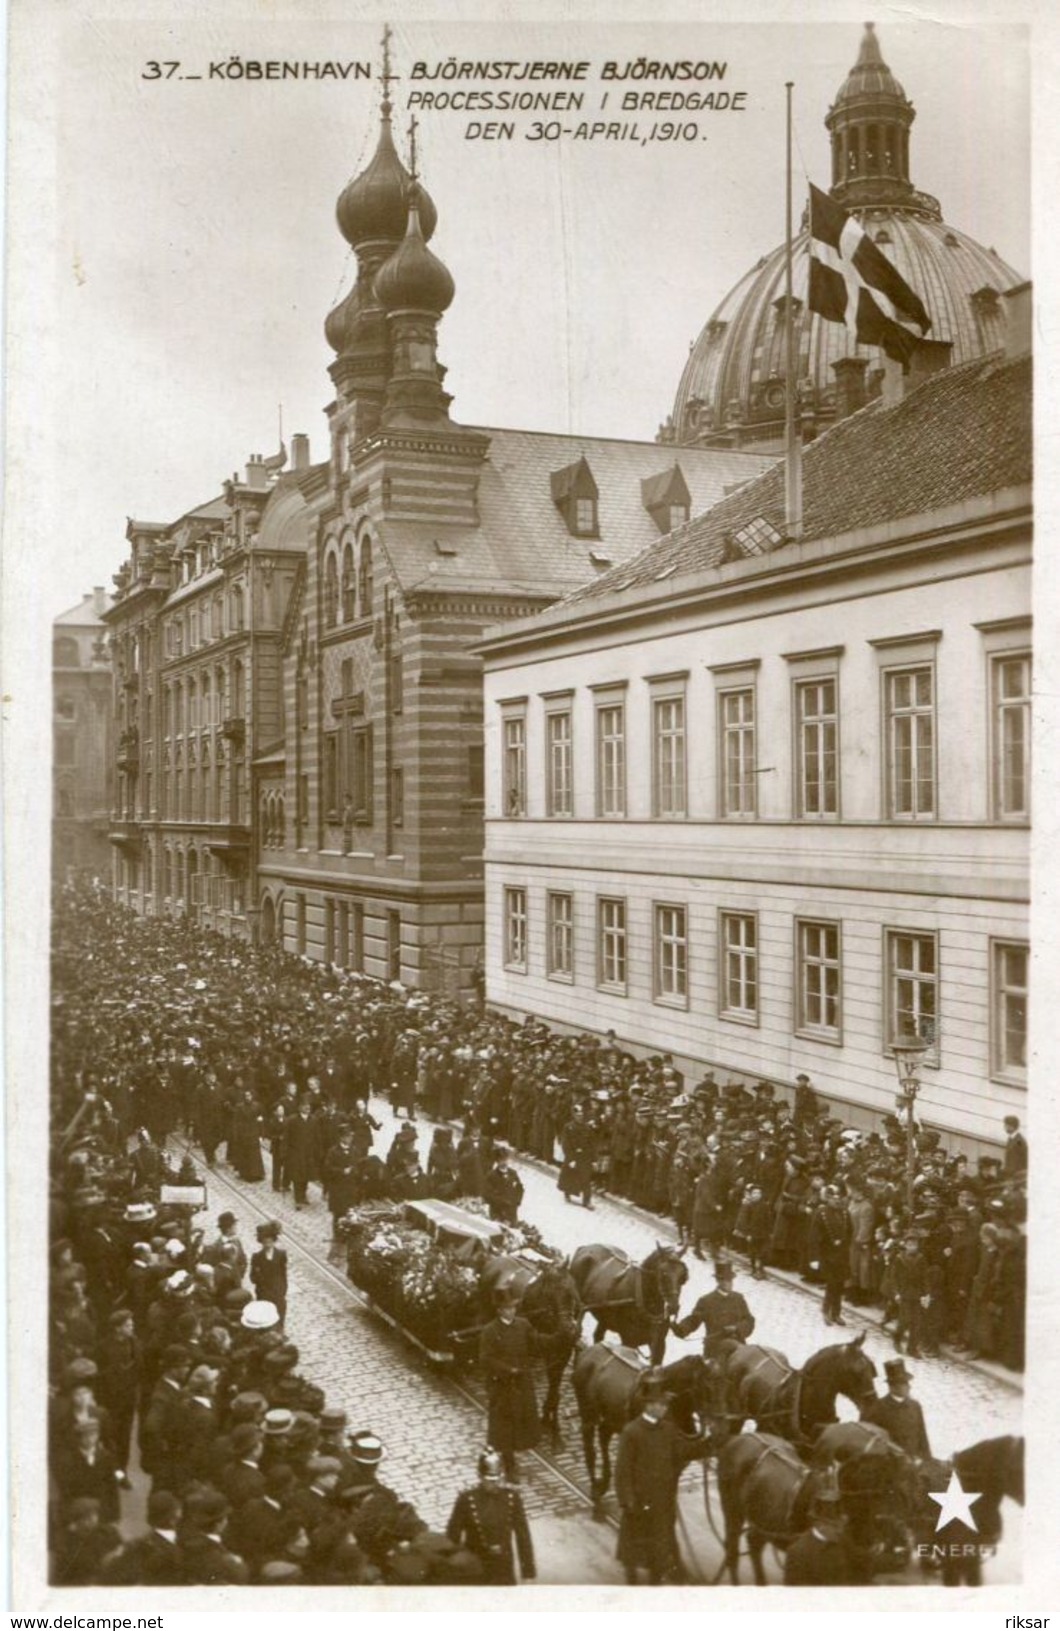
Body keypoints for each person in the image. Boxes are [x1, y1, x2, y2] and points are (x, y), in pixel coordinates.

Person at [614, 1374, 711, 1585]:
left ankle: (655, 1583)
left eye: (666, 1404)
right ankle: (631, 1583)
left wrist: (710, 1444)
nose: (665, 1408)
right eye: (661, 1404)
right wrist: (628, 1500)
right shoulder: (632, 1432)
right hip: (639, 1503)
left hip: (663, 1502)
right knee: (633, 1551)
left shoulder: (668, 1429)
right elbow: (622, 1472)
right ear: (648, 1406)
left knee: (658, 1554)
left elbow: (682, 1451)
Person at [478, 1285, 542, 1482]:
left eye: (513, 1307)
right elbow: (486, 1358)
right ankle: (509, 1463)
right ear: (500, 1311)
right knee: (504, 1425)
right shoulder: (490, 1331)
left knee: (521, 1420)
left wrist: (558, 1339)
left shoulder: (523, 1325)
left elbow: (536, 1342)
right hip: (502, 1386)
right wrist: (507, 1370)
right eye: (508, 1308)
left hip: (522, 1383)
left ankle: (514, 1453)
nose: (512, 1311)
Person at [446, 1448, 535, 1585]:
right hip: (476, 1564)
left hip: (503, 1564)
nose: (495, 1484)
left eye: (497, 1479)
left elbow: (523, 1535)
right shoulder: (466, 1499)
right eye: (490, 1480)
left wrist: (528, 1572)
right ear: (480, 1477)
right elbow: (453, 1535)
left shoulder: (512, 1498)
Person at [783, 1485, 870, 1585]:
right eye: (835, 1526)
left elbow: (864, 1563)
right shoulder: (798, 1553)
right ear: (820, 1525)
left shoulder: (843, 1540)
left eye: (841, 1524)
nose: (841, 1530)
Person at [672, 1259, 755, 1358]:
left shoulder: (738, 1298)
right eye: (725, 1280)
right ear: (718, 1281)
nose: (729, 1283)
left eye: (730, 1280)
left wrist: (737, 1328)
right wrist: (681, 1329)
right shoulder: (706, 1301)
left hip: (738, 1347)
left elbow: (749, 1321)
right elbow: (694, 1320)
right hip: (715, 1349)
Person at [863, 1358, 932, 1460]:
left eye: (907, 1383)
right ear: (892, 1387)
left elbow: (922, 1435)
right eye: (904, 1383)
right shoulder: (877, 1408)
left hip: (914, 1462)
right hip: (890, 1464)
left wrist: (927, 1459)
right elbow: (869, 1439)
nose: (909, 1387)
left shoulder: (915, 1406)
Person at [809, 1184, 851, 1327]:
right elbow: (814, 1237)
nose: (837, 1201)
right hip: (827, 1254)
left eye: (839, 1198)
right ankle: (826, 1311)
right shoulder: (821, 1214)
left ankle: (836, 1313)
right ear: (827, 1199)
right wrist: (815, 1257)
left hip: (841, 1255)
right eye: (833, 1198)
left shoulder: (845, 1213)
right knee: (831, 1284)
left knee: (839, 1284)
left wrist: (844, 1245)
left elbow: (850, 1232)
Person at [557, 1103, 596, 1208]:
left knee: (586, 1179)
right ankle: (567, 1193)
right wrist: (570, 1159)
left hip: (585, 1157)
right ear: (574, 1116)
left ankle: (587, 1201)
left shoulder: (587, 1127)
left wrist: (594, 1159)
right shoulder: (568, 1127)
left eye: (581, 1115)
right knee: (569, 1176)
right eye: (578, 1115)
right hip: (573, 1156)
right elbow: (566, 1144)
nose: (580, 1117)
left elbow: (592, 1144)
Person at [250, 1221, 288, 1326]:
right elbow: (252, 1277)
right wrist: (260, 1279)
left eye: (269, 1242)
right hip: (264, 1294)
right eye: (265, 1242)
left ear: (273, 1241)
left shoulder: (281, 1255)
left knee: (279, 1319)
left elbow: (283, 1274)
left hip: (278, 1294)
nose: (267, 1245)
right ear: (261, 1242)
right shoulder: (257, 1257)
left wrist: (282, 1290)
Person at [484, 1146, 524, 1226]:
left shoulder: (513, 1173)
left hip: (511, 1211)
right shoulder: (491, 1175)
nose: (504, 1162)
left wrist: (517, 1202)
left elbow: (520, 1188)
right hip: (497, 1211)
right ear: (497, 1161)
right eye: (501, 1160)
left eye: (505, 1159)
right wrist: (501, 1202)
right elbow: (487, 1194)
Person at [1002, 1115, 1028, 1181]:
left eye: (1006, 1125)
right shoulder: (1010, 1138)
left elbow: (1024, 1157)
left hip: (1017, 1176)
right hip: (1010, 1174)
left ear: (1012, 1126)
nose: (1004, 1127)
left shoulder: (1019, 1141)